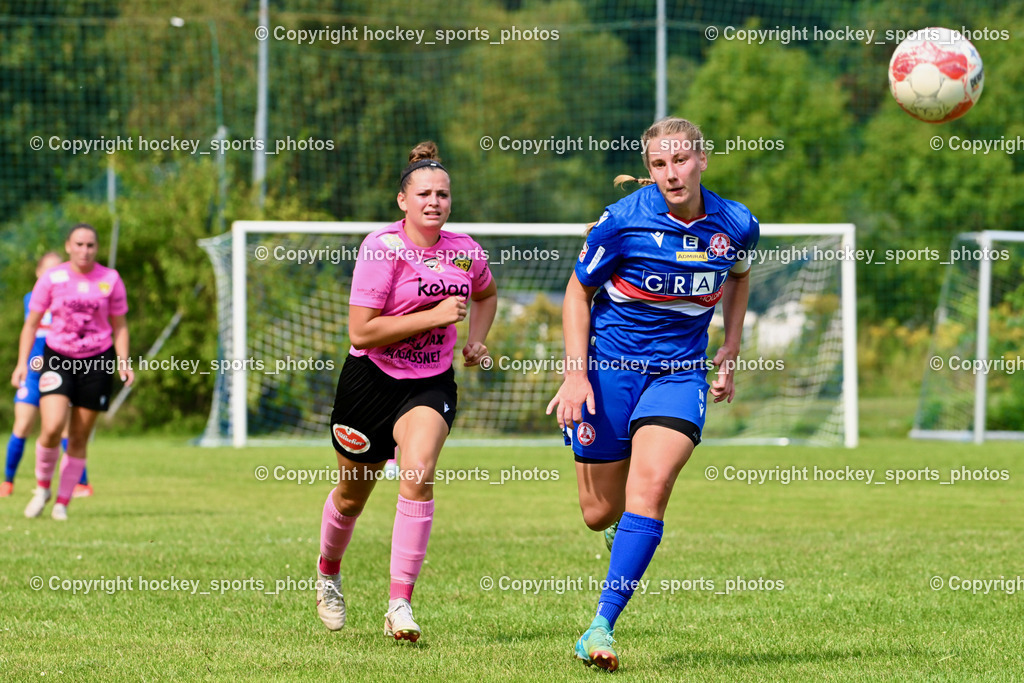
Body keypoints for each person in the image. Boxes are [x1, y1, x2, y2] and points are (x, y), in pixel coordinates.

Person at [546, 117, 759, 672]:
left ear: (702, 160)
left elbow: (737, 276)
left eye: (681, 160)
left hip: (679, 373)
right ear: (649, 170)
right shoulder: (621, 223)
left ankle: (599, 626)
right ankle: (626, 532)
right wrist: (575, 375)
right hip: (609, 371)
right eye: (659, 164)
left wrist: (730, 346)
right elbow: (577, 291)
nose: (671, 173)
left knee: (653, 485)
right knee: (598, 512)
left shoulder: (736, 223)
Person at [314, 142, 497, 642]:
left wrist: (477, 340)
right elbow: (362, 333)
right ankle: (328, 574)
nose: (434, 202)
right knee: (352, 497)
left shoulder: (466, 250)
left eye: (442, 194)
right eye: (423, 194)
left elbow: (486, 293)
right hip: (369, 382)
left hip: (430, 383)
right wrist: (434, 316)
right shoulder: (381, 248)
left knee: (418, 473)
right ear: (403, 200)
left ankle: (400, 603)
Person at [11, 224, 133, 521]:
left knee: (79, 436)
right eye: (79, 244)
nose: (84, 250)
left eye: (90, 245)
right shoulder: (53, 278)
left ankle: (62, 502)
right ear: (68, 245)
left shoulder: (110, 279)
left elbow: (120, 325)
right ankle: (42, 488)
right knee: (51, 427)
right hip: (58, 357)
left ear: (97, 248)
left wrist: (123, 361)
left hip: (96, 361)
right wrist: (21, 363)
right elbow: (31, 324)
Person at [2, 253, 91, 498]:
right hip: (34, 372)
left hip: (62, 371)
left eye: (57, 270)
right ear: (38, 273)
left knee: (63, 430)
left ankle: (82, 484)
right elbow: (30, 331)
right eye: (47, 271)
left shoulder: (72, 301)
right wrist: (21, 364)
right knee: (22, 425)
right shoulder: (32, 300)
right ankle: (7, 482)